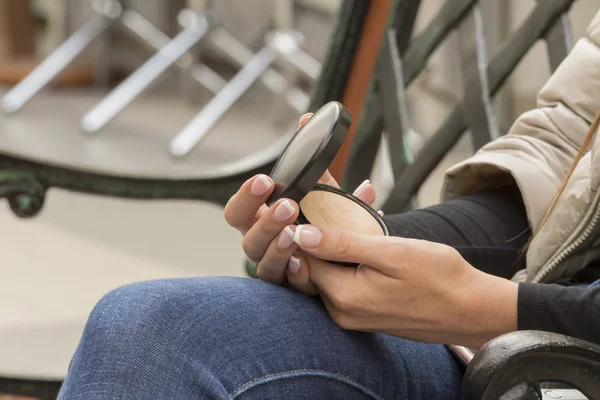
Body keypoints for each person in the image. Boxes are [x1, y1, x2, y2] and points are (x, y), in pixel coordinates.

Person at [57, 10, 600, 400]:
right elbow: (563, 156)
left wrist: (492, 308)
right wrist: (371, 245)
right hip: (509, 325)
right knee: (147, 330)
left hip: (555, 352)